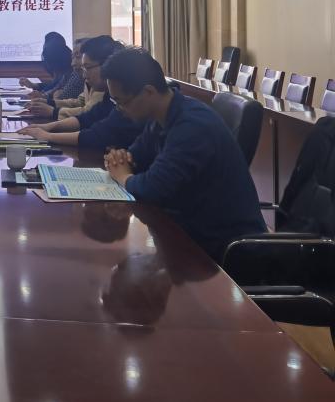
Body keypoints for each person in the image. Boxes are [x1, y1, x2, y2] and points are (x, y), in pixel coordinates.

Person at [100, 48, 266, 261]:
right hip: (188, 232)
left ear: (148, 92)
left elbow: (152, 189)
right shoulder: (160, 116)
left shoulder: (192, 126)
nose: (120, 109)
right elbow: (134, 156)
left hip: (224, 250)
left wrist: (122, 176)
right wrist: (121, 160)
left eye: (122, 102)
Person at [18, 35, 143, 149]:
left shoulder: (125, 97)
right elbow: (87, 118)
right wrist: (47, 127)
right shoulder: (108, 95)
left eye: (87, 68)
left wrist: (48, 136)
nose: (84, 75)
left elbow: (98, 134)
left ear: (106, 65)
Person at [28, 38, 88, 117]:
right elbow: (79, 102)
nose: (72, 63)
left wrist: (53, 111)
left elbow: (88, 112)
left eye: (78, 57)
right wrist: (47, 100)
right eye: (72, 57)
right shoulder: (78, 74)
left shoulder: (77, 74)